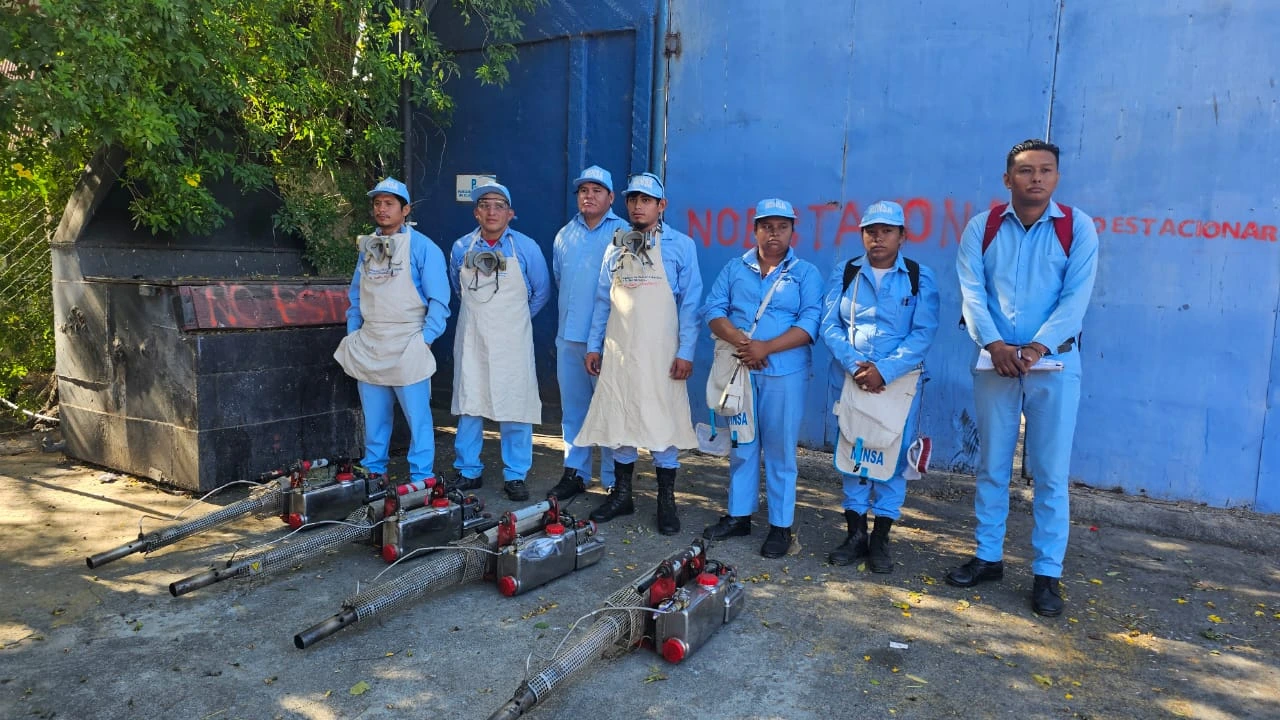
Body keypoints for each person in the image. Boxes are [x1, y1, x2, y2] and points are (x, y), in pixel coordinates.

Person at [946, 139, 1098, 617]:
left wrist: (1034, 348)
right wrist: (995, 346)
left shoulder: (1077, 228)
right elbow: (972, 291)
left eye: (1045, 171)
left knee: (1051, 474)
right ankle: (988, 557)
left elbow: (1075, 299)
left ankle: (1047, 574)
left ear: (1056, 178)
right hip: (996, 362)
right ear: (1007, 179)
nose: (1036, 178)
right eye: (1026, 171)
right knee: (992, 465)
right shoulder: (982, 227)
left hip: (1054, 364)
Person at [575, 172, 702, 535]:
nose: (638, 206)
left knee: (663, 423)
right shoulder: (615, 245)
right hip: (620, 350)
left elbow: (691, 303)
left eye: (646, 200)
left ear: (661, 206)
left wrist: (687, 352)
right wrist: (594, 345)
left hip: (662, 354)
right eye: (633, 199)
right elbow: (603, 300)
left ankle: (666, 501)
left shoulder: (681, 245)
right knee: (621, 418)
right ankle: (623, 495)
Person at [699, 198, 824, 558]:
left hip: (784, 374)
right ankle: (739, 515)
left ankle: (781, 527)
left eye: (782, 227)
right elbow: (713, 309)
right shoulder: (734, 268)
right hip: (740, 369)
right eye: (767, 226)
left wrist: (765, 348)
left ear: (792, 231)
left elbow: (810, 321)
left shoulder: (805, 273)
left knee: (781, 449)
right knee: (742, 442)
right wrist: (743, 342)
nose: (774, 233)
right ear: (754, 230)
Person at [820, 201, 939, 573]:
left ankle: (881, 538)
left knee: (891, 456)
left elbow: (923, 333)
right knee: (855, 450)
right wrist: (858, 366)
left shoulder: (920, 277)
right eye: (871, 231)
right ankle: (855, 534)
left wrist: (884, 370)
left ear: (902, 236)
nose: (878, 237)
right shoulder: (846, 272)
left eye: (887, 230)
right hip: (854, 377)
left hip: (898, 382)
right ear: (862, 235)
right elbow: (829, 325)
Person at [334, 177, 451, 487]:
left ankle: (422, 476)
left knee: (418, 418)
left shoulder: (424, 248)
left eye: (389, 203)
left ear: (405, 209)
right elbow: (356, 297)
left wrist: (425, 340)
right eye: (377, 203)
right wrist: (353, 334)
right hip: (371, 342)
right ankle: (374, 470)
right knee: (375, 418)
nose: (381, 209)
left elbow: (440, 300)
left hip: (408, 341)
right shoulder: (368, 248)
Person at [448, 182, 551, 501]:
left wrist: (513, 319)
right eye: (485, 205)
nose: (492, 211)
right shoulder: (461, 248)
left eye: (499, 205)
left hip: (513, 341)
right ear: (476, 212)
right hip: (473, 337)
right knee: (469, 401)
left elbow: (541, 292)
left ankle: (516, 474)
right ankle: (468, 470)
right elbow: (458, 288)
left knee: (515, 403)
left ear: (511, 213)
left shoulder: (526, 248)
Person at [545, 166, 630, 502]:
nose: (589, 196)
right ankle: (576, 473)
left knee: (609, 408)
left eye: (597, 190)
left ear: (611, 197)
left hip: (611, 341)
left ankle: (613, 479)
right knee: (574, 410)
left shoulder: (624, 233)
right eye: (583, 190)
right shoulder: (565, 235)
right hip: (569, 337)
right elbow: (556, 280)